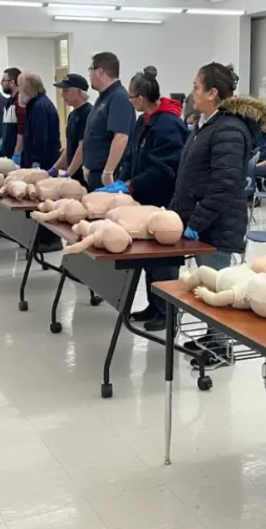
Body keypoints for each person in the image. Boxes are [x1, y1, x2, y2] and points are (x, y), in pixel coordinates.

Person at [171, 62, 266, 369]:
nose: (192, 93)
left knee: (217, 286)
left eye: (197, 87)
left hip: (217, 224)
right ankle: (212, 338)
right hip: (202, 222)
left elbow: (224, 183)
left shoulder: (228, 128)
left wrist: (197, 222)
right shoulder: (207, 124)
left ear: (213, 93)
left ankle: (222, 347)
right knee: (207, 286)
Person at [99, 66, 187, 332]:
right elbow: (133, 157)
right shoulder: (143, 121)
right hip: (143, 199)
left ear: (141, 98)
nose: (130, 102)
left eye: (131, 97)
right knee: (149, 258)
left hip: (163, 199)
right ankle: (153, 304)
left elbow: (164, 167)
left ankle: (167, 313)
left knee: (164, 262)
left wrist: (132, 184)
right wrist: (122, 180)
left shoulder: (169, 124)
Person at [67, 52, 134, 191]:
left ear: (100, 71)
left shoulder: (119, 97)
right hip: (95, 172)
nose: (89, 75)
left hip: (108, 174)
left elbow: (121, 137)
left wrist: (108, 172)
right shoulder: (103, 98)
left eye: (90, 70)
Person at [50, 74, 92, 183]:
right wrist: (55, 168)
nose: (62, 95)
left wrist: (69, 172)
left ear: (78, 92)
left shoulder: (88, 113)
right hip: (74, 176)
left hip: (84, 177)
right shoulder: (72, 115)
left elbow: (83, 148)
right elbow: (70, 147)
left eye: (65, 91)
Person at [19, 72, 61, 170]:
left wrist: (36, 161)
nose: (19, 89)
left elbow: (40, 136)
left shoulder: (39, 107)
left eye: (20, 85)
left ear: (28, 88)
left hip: (43, 163)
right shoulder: (36, 104)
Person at [0, 67, 21, 159]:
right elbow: (5, 129)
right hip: (6, 153)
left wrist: (17, 152)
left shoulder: (20, 103)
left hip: (16, 154)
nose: (1, 83)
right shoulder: (8, 102)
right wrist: (0, 144)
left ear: (12, 83)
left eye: (3, 80)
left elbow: (21, 131)